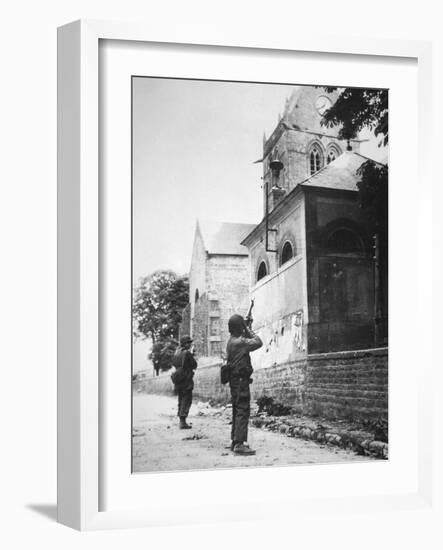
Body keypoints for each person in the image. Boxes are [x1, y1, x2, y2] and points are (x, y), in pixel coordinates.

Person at [226, 314, 263, 455]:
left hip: (234, 380)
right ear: (239, 327)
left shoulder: (231, 341)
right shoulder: (239, 342)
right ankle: (240, 444)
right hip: (241, 381)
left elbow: (248, 341)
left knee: (237, 408)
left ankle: (235, 440)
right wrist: (247, 328)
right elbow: (258, 342)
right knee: (242, 409)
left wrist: (244, 326)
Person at [171, 335, 197, 429]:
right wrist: (191, 354)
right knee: (187, 399)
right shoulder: (187, 353)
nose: (190, 344)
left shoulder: (176, 352)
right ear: (185, 344)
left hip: (178, 379)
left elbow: (174, 363)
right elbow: (194, 365)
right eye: (189, 343)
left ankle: (181, 420)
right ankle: (183, 421)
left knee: (181, 399)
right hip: (186, 379)